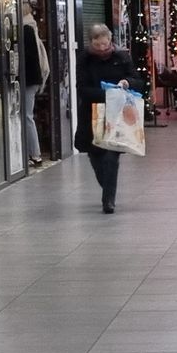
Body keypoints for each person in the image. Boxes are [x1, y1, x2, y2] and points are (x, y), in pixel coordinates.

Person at [75, 24, 137, 214]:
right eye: (97, 44)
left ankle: (108, 200)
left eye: (105, 43)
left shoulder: (122, 57)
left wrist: (127, 83)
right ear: (91, 42)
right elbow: (82, 89)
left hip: (116, 115)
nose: (102, 48)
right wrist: (107, 93)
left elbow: (137, 79)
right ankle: (107, 186)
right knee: (96, 157)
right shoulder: (85, 60)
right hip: (92, 113)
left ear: (110, 40)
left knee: (111, 156)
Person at [19, 16, 50, 166]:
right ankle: (32, 153)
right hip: (33, 81)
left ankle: (35, 154)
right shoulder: (32, 29)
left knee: (26, 116)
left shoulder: (26, 30)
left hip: (28, 81)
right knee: (26, 116)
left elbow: (28, 59)